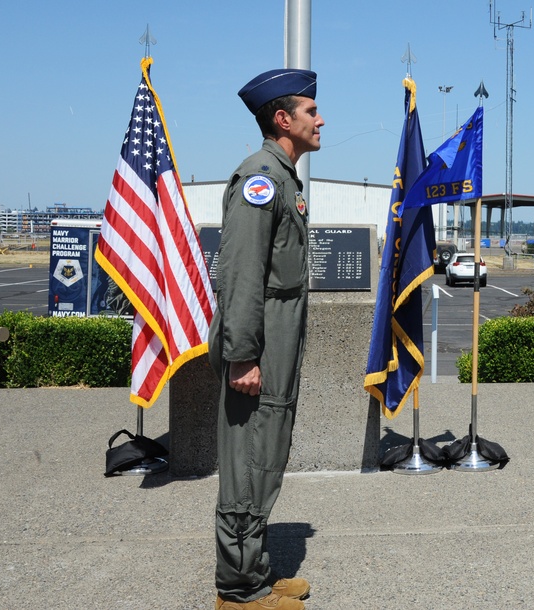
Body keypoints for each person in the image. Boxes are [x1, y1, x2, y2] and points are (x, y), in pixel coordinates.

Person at [207, 68, 325, 610]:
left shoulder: (282, 177)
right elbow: (241, 273)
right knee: (248, 457)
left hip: (275, 343)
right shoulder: (260, 177)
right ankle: (237, 588)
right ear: (283, 119)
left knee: (266, 452)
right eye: (310, 111)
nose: (320, 119)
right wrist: (242, 356)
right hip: (256, 349)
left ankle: (253, 569)